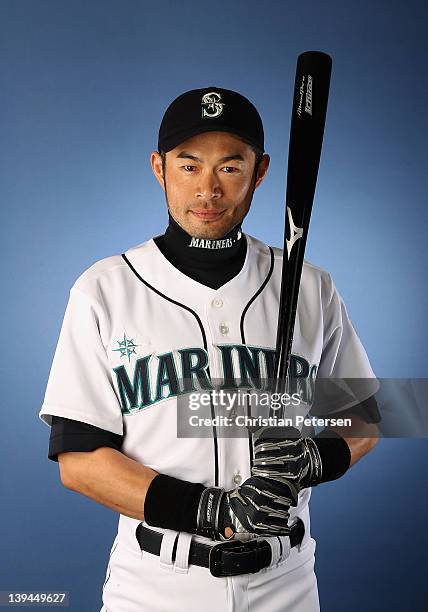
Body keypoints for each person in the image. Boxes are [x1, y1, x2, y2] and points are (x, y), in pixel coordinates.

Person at [39, 86, 380, 611]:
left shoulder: (312, 288)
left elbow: (364, 418)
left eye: (230, 167)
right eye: (189, 164)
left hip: (286, 583)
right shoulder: (104, 289)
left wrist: (315, 458)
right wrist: (212, 510)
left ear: (260, 172)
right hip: (155, 586)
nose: (208, 189)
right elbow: (79, 460)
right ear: (159, 167)